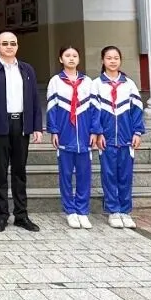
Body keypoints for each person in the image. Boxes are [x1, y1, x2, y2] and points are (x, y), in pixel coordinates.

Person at [0, 31, 43, 233]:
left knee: (19, 172)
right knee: (0, 172)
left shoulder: (27, 69)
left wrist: (37, 126)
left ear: (17, 46)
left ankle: (21, 215)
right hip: (0, 126)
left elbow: (34, 99)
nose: (9, 46)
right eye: (5, 43)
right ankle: (2, 215)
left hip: (21, 124)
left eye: (13, 43)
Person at [90, 45, 146, 229]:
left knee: (125, 175)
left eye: (116, 58)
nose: (113, 61)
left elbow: (137, 110)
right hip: (106, 139)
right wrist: (98, 132)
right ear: (102, 61)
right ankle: (113, 211)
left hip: (126, 138)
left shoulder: (129, 84)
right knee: (109, 175)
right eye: (109, 58)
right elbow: (94, 112)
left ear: (120, 60)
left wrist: (137, 132)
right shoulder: (96, 84)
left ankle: (125, 211)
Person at [46, 46, 94, 230]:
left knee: (84, 175)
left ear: (79, 59)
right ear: (61, 59)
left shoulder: (87, 82)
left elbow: (95, 109)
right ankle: (70, 211)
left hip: (84, 135)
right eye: (67, 55)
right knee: (65, 175)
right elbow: (51, 108)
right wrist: (54, 131)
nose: (71, 58)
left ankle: (82, 210)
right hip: (65, 134)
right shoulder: (55, 81)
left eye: (74, 55)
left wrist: (95, 131)